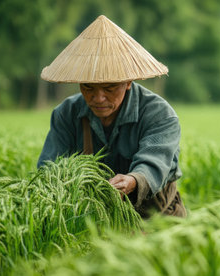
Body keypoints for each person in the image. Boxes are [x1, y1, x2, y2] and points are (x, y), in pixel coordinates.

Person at [38, 15, 186, 218]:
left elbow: (154, 162)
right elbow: (49, 170)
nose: (98, 98)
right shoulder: (66, 114)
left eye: (109, 88)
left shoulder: (160, 115)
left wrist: (133, 180)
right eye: (88, 87)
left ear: (128, 82)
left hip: (155, 216)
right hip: (89, 218)